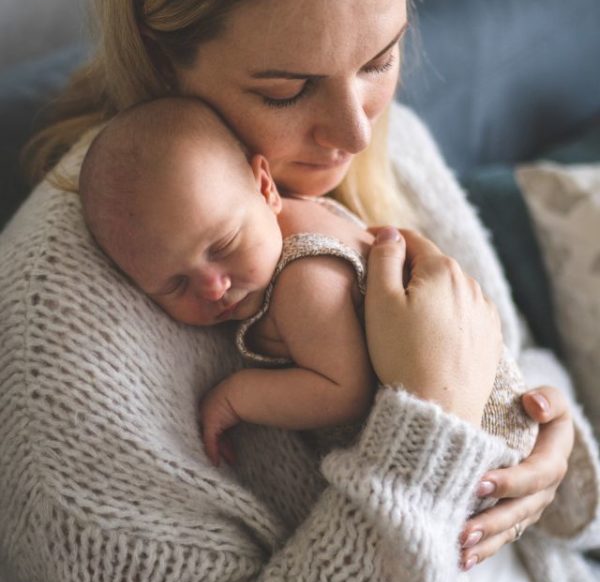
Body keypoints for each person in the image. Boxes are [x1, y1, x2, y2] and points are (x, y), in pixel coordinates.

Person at [0, 0, 599, 582]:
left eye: (381, 57)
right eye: (286, 90)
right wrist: (428, 423)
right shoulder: (60, 329)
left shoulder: (356, 153)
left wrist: (554, 461)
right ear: (163, 57)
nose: (355, 129)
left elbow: (510, 359)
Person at [78, 95, 535, 471]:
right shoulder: (285, 217)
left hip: (472, 438)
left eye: (223, 246)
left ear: (265, 188)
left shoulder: (304, 277)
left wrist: (236, 398)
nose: (213, 287)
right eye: (175, 284)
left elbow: (343, 391)